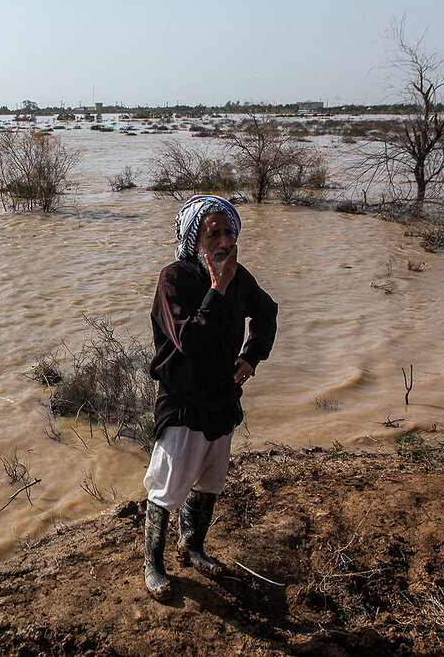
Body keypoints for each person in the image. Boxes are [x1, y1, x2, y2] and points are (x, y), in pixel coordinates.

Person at [143, 194, 278, 601]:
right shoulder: (175, 278)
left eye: (228, 231)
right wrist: (216, 290)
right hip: (184, 400)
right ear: (194, 239)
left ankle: (192, 545)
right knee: (166, 488)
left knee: (210, 484)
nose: (223, 240)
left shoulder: (239, 277)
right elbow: (187, 341)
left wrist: (251, 356)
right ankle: (152, 564)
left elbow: (268, 312)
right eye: (212, 232)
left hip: (222, 396)